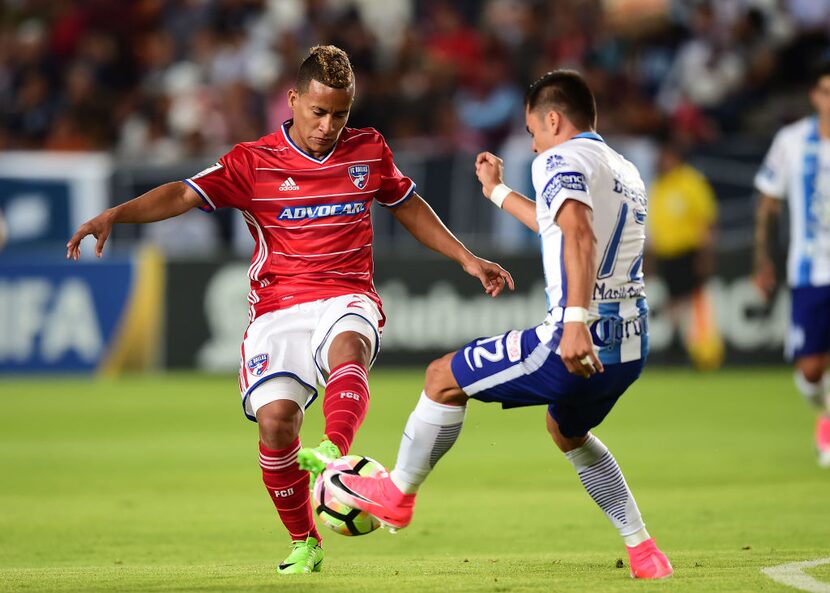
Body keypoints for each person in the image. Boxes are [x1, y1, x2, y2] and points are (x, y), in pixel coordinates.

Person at [66, 45, 514, 575]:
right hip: (277, 309)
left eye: (340, 114)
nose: (328, 125)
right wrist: (116, 214)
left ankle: (333, 451)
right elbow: (183, 196)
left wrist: (465, 257)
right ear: (294, 99)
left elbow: (407, 204)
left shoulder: (368, 151)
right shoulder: (252, 162)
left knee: (352, 344)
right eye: (318, 112)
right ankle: (306, 540)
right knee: (277, 424)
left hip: (347, 295)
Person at [325, 69, 673, 580]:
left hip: (576, 339)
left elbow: (576, 234)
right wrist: (496, 192)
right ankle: (644, 551)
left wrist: (574, 323)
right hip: (630, 344)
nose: (533, 147)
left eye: (533, 132)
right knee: (566, 430)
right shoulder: (621, 167)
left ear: (552, 120)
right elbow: (557, 224)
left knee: (441, 378)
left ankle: (397, 493)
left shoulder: (560, 157)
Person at [753, 61, 830, 467]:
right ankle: (824, 409)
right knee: (812, 369)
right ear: (814, 96)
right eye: (826, 91)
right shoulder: (792, 140)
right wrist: (762, 260)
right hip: (809, 270)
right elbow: (768, 204)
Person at [648, 137, 723, 370]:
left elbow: (707, 221)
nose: (663, 163)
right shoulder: (658, 187)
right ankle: (677, 344)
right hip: (666, 255)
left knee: (692, 302)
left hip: (689, 252)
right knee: (673, 301)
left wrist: (705, 255)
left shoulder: (691, 182)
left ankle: (701, 350)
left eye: (667, 158)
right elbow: (652, 227)